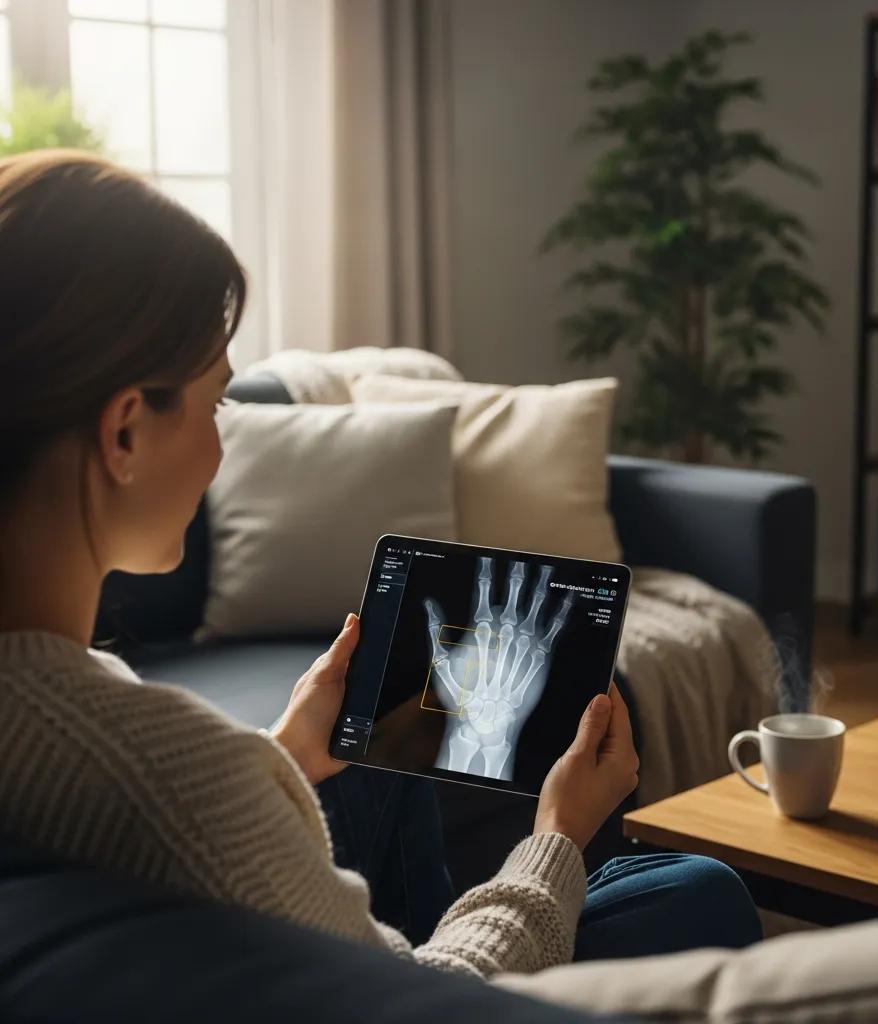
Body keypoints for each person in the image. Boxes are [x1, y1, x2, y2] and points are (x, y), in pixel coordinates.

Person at [0, 150, 760, 980]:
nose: (222, 443)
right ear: (123, 434)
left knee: (377, 756)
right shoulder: (172, 770)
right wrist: (555, 836)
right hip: (411, 987)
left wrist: (285, 751)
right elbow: (425, 1001)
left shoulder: (90, 740)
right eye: (216, 401)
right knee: (698, 888)